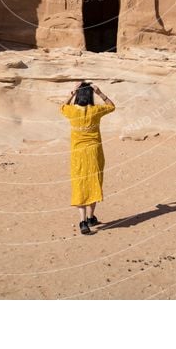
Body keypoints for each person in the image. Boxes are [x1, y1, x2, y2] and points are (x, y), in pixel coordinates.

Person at [60, 80, 115, 235]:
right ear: (90, 95)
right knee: (94, 182)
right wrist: (99, 92)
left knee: (80, 183)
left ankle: (84, 221)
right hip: (94, 152)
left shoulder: (71, 111)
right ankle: (91, 218)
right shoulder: (96, 110)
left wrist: (72, 92)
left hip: (78, 154)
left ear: (78, 95)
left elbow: (62, 107)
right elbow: (111, 106)